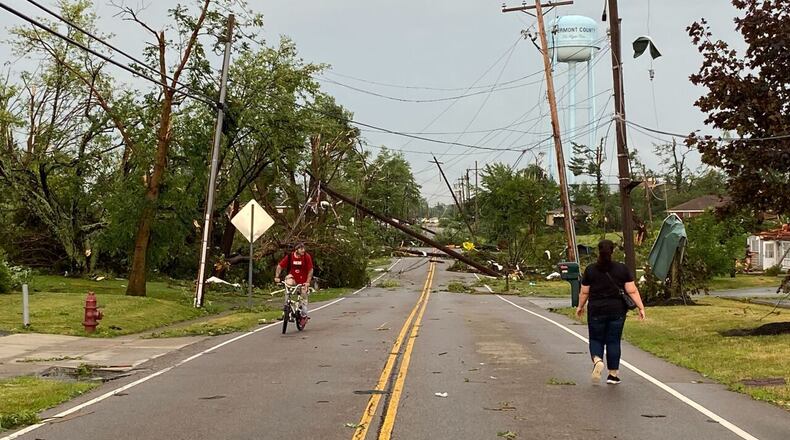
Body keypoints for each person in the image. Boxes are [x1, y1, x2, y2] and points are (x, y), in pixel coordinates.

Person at [576, 239, 646, 385]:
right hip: (617, 310)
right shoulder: (622, 269)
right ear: (612, 251)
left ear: (598, 251)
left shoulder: (590, 270)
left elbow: (584, 292)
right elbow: (631, 290)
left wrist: (580, 306)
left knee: (596, 339)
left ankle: (597, 360)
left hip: (596, 309)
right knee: (613, 341)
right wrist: (640, 307)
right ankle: (613, 375)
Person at [274, 243, 314, 317]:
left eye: (304, 248)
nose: (303, 250)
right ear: (296, 250)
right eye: (301, 249)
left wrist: (308, 282)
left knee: (303, 294)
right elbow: (280, 266)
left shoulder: (306, 257)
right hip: (293, 278)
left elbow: (310, 270)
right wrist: (277, 277)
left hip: (303, 281)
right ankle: (286, 307)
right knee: (288, 284)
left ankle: (304, 308)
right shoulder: (290, 257)